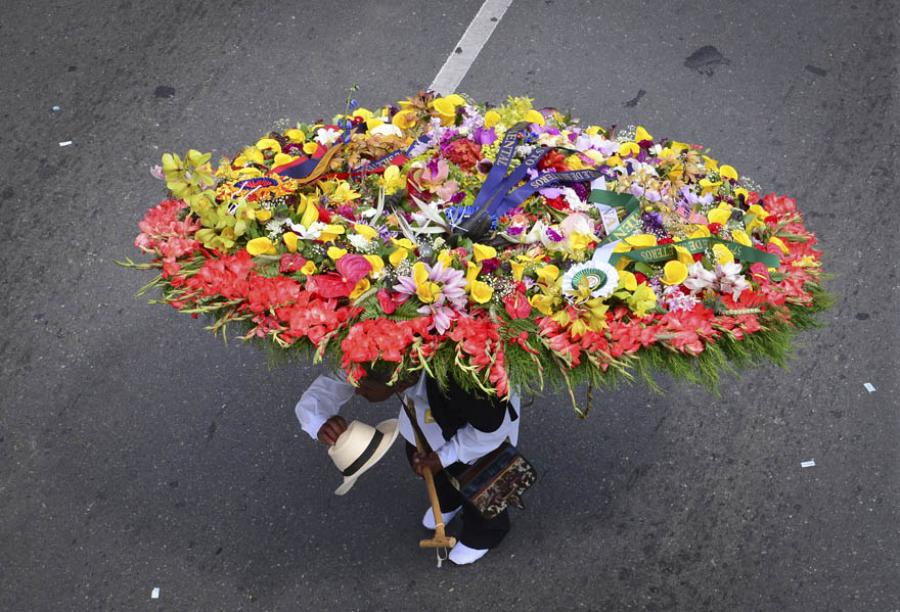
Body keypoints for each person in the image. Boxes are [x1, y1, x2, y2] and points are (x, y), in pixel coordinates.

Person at [295, 371, 521, 565]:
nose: (357, 391)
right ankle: (449, 500)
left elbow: (490, 431)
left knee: (481, 473)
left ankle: (486, 533)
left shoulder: (466, 387)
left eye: (364, 388)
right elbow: (337, 380)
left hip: (478, 422)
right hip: (428, 410)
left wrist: (442, 458)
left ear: (400, 383)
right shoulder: (377, 361)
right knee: (416, 454)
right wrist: (319, 421)